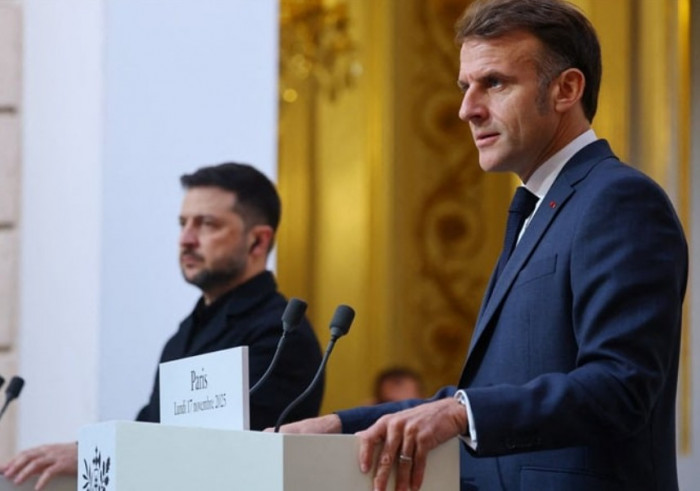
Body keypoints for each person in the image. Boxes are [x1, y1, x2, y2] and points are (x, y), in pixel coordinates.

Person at [274, 1, 688, 490]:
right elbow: (488, 394)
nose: (467, 109)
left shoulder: (618, 200)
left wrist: (460, 413)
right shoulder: (540, 208)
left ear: (566, 89)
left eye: (494, 83)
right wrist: (339, 426)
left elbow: (622, 384)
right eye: (464, 87)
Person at [1, 162, 324, 489]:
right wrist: (82, 452)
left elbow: (231, 456)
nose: (186, 239)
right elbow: (150, 429)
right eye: (183, 224)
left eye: (206, 224)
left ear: (257, 241)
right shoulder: (184, 335)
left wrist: (92, 454)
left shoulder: (281, 336)